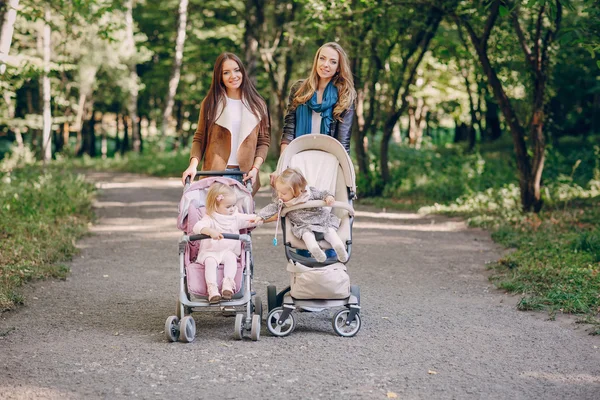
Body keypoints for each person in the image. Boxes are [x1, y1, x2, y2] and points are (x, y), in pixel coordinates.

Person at [182, 52, 270, 195]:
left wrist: (255, 169)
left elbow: (263, 141)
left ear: (242, 71)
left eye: (236, 70)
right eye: (226, 72)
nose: (233, 76)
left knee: (242, 217)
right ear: (220, 77)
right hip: (215, 174)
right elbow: (199, 138)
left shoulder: (257, 104)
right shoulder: (211, 103)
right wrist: (193, 165)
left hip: (245, 176)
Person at [255, 168, 348, 263]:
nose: (280, 195)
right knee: (307, 236)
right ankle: (315, 250)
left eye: (283, 193)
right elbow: (272, 208)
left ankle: (339, 247)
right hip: (303, 226)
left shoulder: (310, 193)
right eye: (278, 191)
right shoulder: (283, 201)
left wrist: (328, 197)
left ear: (298, 191)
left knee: (330, 232)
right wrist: (260, 216)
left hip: (321, 221)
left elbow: (323, 193)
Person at [280, 42, 357, 155]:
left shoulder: (345, 96)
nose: (326, 64)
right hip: (298, 156)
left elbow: (343, 143)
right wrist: (283, 164)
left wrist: (344, 171)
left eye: (333, 62)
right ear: (316, 61)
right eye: (322, 58)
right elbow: (289, 131)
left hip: (328, 160)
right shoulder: (299, 89)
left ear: (338, 68)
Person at [192, 182, 258, 303]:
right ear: (215, 206)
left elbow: (251, 219)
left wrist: (265, 217)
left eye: (233, 205)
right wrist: (209, 231)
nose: (232, 208)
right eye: (228, 207)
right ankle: (212, 289)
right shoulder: (210, 218)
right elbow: (197, 227)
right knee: (210, 263)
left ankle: (228, 284)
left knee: (231, 259)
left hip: (228, 251)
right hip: (210, 252)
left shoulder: (235, 217)